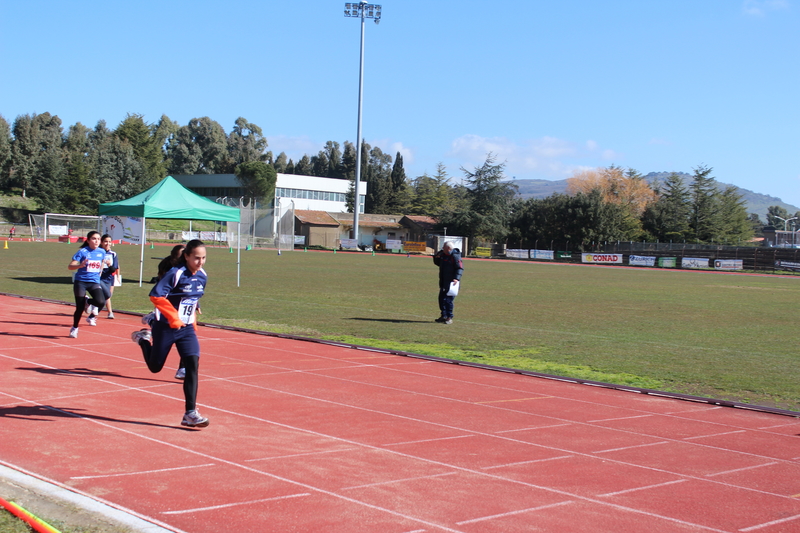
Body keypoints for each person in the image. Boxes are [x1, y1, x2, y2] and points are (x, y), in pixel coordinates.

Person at [131, 239, 210, 428]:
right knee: (155, 367)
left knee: (192, 365)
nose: (200, 262)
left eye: (204, 258)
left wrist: (195, 306)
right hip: (166, 327)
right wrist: (174, 316)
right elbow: (156, 295)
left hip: (187, 329)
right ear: (187, 256)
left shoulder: (202, 275)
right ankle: (143, 339)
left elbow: (192, 295)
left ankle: (190, 413)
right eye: (196, 258)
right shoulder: (175, 274)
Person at [67, 231, 109, 338]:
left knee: (100, 301)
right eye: (94, 239)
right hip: (81, 282)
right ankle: (74, 328)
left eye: (98, 239)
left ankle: (87, 301)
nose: (97, 241)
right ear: (88, 240)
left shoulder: (102, 252)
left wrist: (100, 271)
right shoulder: (82, 252)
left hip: (94, 281)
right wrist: (80, 266)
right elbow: (70, 266)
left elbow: (102, 261)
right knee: (80, 308)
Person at [432, 241, 463, 324]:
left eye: (444, 247)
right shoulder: (443, 255)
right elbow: (439, 264)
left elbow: (459, 268)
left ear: (448, 248)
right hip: (443, 281)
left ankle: (449, 317)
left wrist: (456, 278)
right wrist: (436, 257)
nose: (442, 248)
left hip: (452, 283)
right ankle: (443, 316)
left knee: (448, 300)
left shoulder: (455, 256)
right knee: (441, 299)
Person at [98, 234, 119, 319]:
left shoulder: (113, 254)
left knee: (108, 295)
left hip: (110, 277)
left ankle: (90, 305)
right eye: (106, 241)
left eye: (109, 242)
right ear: (102, 242)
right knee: (106, 295)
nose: (108, 243)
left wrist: (110, 266)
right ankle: (110, 312)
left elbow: (115, 268)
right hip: (99, 277)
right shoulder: (98, 252)